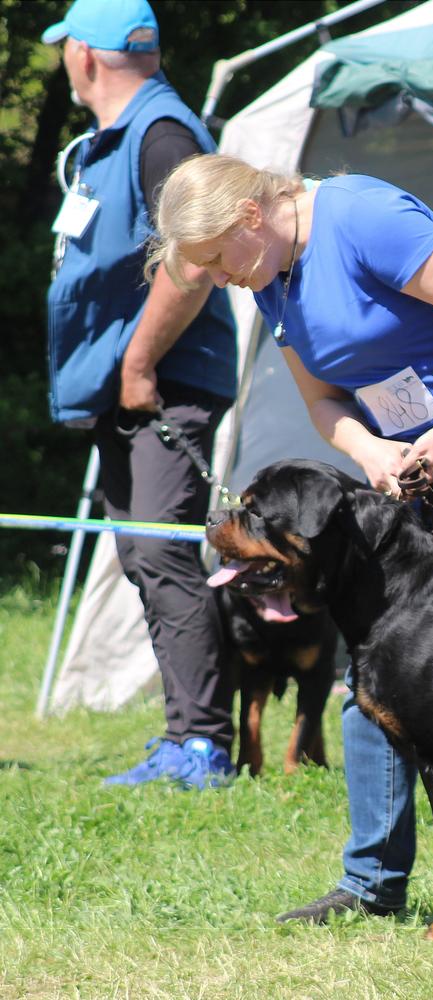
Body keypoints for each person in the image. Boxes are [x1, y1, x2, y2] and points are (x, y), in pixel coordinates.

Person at [147, 153, 433, 924]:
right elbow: (324, 399)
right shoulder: (270, 279)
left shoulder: (361, 216)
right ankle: (371, 885)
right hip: (403, 470)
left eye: (212, 260)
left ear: (249, 217)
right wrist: (372, 453)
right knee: (373, 672)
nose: (215, 278)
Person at [43, 0, 238, 788]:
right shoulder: (120, 139)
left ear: (86, 57)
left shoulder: (163, 135)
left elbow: (192, 259)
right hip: (133, 383)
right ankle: (183, 737)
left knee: (162, 551)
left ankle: (201, 747)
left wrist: (138, 362)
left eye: (65, 49)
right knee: (143, 554)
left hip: (164, 381)